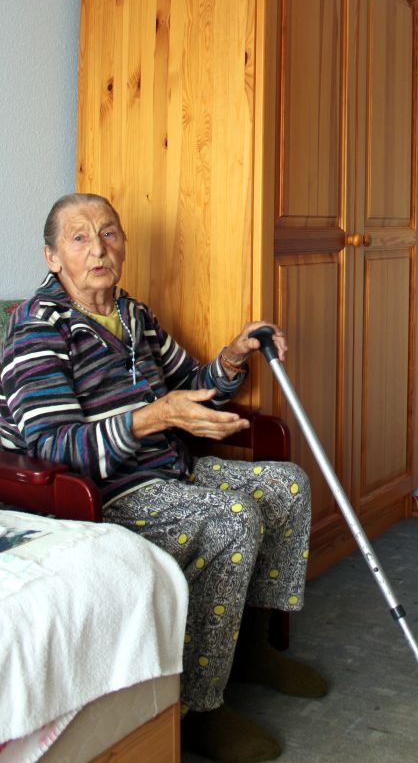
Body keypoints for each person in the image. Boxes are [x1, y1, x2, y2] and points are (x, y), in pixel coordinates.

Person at [0, 192, 325, 763]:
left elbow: (193, 387)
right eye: (79, 238)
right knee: (230, 519)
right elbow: (55, 446)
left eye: (109, 233)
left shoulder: (133, 315)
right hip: (102, 492)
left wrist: (232, 356)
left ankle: (253, 649)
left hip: (170, 467)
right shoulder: (37, 329)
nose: (98, 249)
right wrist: (157, 416)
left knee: (286, 485)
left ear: (123, 245)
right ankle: (198, 708)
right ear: (52, 257)